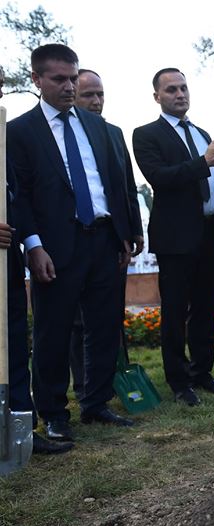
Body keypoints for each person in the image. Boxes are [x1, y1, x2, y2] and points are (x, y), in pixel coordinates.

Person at [7, 44, 136, 442]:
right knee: (53, 331)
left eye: (73, 78)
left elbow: (113, 182)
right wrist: (34, 245)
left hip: (104, 239)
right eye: (59, 79)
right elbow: (20, 196)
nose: (69, 87)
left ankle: (96, 403)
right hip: (55, 247)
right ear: (36, 79)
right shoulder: (19, 132)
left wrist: (124, 233)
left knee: (104, 326)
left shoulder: (97, 126)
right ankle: (53, 413)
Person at [132, 68, 214, 407]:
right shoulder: (146, 134)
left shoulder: (201, 133)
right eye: (171, 89)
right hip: (176, 237)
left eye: (183, 87)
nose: (180, 94)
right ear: (157, 97)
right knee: (175, 311)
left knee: (206, 307)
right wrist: (203, 161)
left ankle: (201, 371)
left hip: (210, 234)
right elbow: (160, 177)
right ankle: (179, 381)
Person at [0, 64, 72, 454]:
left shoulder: (2, 136)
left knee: (13, 345)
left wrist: (29, 242)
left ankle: (20, 432)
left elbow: (16, 196)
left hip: (6, 261)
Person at [69, 68, 145, 399]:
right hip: (71, 239)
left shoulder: (113, 133)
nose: (96, 101)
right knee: (77, 320)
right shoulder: (60, 136)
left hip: (111, 238)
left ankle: (111, 382)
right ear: (73, 94)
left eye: (100, 94)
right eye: (88, 95)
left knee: (109, 314)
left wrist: (133, 230)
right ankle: (83, 384)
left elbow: (126, 185)